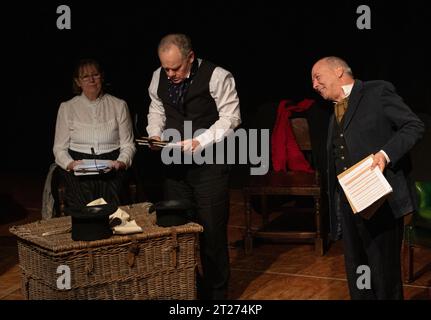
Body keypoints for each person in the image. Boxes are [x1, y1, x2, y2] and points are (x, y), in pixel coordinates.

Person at [311, 56, 424, 299]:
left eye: (317, 77)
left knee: (383, 271)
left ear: (339, 70)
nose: (314, 85)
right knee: (357, 268)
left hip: (380, 198)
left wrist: (385, 154)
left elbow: (413, 126)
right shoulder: (333, 114)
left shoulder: (376, 91)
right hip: (349, 200)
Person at [146, 33, 241, 299]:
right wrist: (155, 133)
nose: (170, 73)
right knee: (180, 231)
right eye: (166, 68)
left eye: (175, 68)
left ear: (190, 57)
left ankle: (217, 295)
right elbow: (157, 108)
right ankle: (189, 291)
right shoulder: (158, 76)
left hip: (210, 166)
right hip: (175, 167)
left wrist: (200, 141)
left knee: (211, 234)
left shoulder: (218, 75)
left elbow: (231, 117)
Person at [53, 58, 136, 208]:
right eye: (85, 76)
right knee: (82, 194)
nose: (91, 80)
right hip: (78, 162)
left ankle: (112, 229)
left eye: (95, 75)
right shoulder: (67, 108)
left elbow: (128, 145)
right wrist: (70, 164)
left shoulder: (119, 105)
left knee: (113, 194)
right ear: (78, 82)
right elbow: (59, 148)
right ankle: (86, 230)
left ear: (102, 77)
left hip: (111, 161)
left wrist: (121, 162)